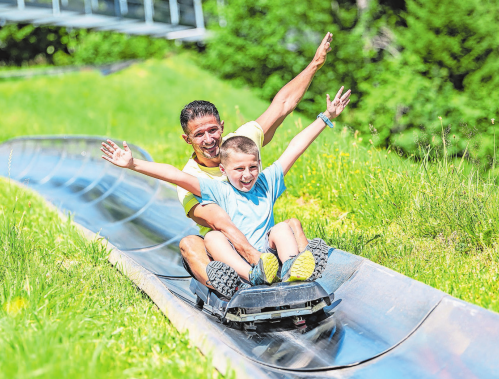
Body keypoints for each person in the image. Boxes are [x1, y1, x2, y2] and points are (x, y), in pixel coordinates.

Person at [101, 86, 351, 297]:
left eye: (253, 167)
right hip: (240, 259)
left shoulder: (267, 181)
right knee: (212, 237)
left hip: (270, 253)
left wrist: (325, 117)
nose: (247, 174)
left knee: (283, 227)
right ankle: (252, 277)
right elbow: (174, 174)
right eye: (239, 169)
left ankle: (293, 272)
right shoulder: (217, 189)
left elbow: (295, 147)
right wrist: (134, 164)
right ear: (223, 169)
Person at [170, 32, 337, 294]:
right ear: (187, 139)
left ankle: (303, 273)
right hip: (226, 251)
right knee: (191, 243)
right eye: (199, 134)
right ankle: (227, 288)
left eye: (212, 130)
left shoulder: (241, 144)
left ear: (222, 127)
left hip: (261, 244)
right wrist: (253, 259)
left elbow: (282, 104)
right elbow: (218, 222)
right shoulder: (190, 177)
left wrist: (315, 63)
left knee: (290, 224)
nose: (209, 139)